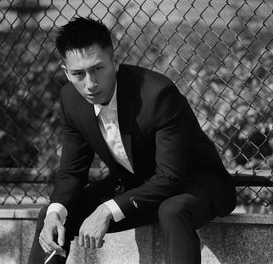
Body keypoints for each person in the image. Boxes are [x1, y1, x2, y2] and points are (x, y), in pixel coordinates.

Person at [27, 17, 236, 264]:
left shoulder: (157, 95)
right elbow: (72, 173)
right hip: (135, 186)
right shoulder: (71, 100)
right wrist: (55, 212)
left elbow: (170, 177)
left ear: (115, 62)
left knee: (172, 210)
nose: (90, 84)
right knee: (53, 215)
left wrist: (108, 210)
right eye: (78, 74)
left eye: (97, 69)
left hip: (193, 183)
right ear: (66, 72)